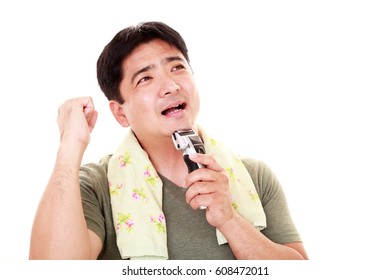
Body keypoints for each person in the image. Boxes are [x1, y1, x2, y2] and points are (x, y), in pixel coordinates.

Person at [29, 21, 308, 260]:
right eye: (146, 78)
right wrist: (69, 146)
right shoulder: (95, 186)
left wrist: (230, 219)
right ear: (120, 113)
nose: (171, 86)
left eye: (177, 68)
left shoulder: (255, 175)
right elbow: (52, 270)